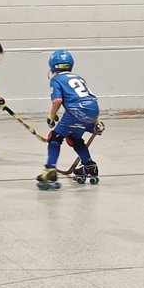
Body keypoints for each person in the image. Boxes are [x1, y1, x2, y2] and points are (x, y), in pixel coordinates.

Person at [37, 49, 101, 190]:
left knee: (54, 138)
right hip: (92, 109)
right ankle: (89, 165)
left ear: (53, 66)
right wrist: (97, 122)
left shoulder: (56, 79)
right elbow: (91, 98)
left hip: (75, 110)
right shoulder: (79, 78)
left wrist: (51, 117)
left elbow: (57, 101)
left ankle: (50, 170)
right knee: (74, 138)